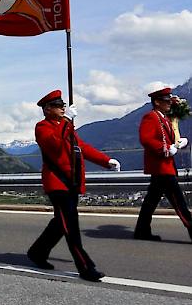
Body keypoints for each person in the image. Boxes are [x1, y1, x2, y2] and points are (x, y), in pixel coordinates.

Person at [27, 90, 121, 282]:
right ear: (47, 109)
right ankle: (85, 267)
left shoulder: (65, 127)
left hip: (71, 182)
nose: (62, 107)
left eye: (63, 105)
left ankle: (37, 252)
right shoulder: (42, 127)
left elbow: (82, 147)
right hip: (57, 182)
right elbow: (54, 144)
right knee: (71, 226)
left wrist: (106, 161)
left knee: (60, 223)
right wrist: (68, 122)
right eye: (57, 105)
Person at [134, 87, 191, 242]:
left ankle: (141, 230)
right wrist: (164, 150)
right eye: (166, 101)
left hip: (165, 166)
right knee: (179, 201)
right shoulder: (151, 117)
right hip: (161, 166)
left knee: (151, 202)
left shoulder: (163, 117)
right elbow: (146, 139)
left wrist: (179, 143)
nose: (169, 104)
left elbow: (170, 135)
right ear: (157, 102)